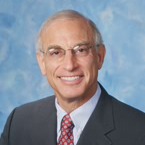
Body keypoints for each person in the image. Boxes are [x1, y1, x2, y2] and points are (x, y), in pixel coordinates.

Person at [0, 9, 145, 145]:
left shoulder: (139, 131)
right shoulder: (19, 122)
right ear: (42, 62)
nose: (69, 65)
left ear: (99, 56)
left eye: (81, 50)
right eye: (56, 52)